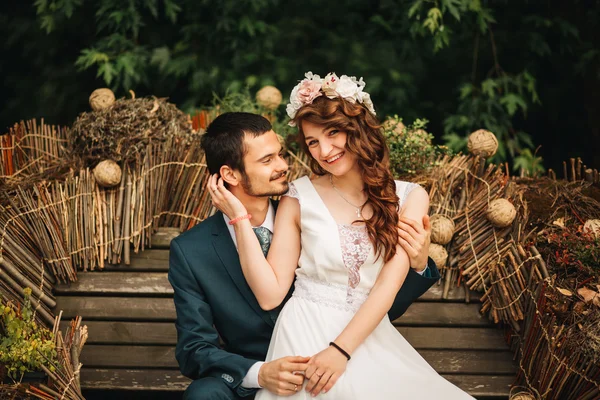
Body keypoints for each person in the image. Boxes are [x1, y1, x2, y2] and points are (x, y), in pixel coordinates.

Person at [208, 72, 474, 399]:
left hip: (367, 336)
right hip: (303, 332)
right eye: (313, 142)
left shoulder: (410, 197)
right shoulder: (298, 196)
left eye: (333, 133)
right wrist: (239, 218)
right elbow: (270, 294)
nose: (325, 150)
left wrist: (340, 350)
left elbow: (388, 286)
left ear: (358, 128)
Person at [169, 110, 440, 399]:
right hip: (252, 374)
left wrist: (418, 265)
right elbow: (193, 349)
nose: (284, 166)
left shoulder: (304, 208)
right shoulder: (191, 251)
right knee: (203, 395)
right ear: (229, 174)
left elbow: (371, 299)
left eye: (281, 154)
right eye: (267, 160)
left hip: (338, 351)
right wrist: (259, 372)